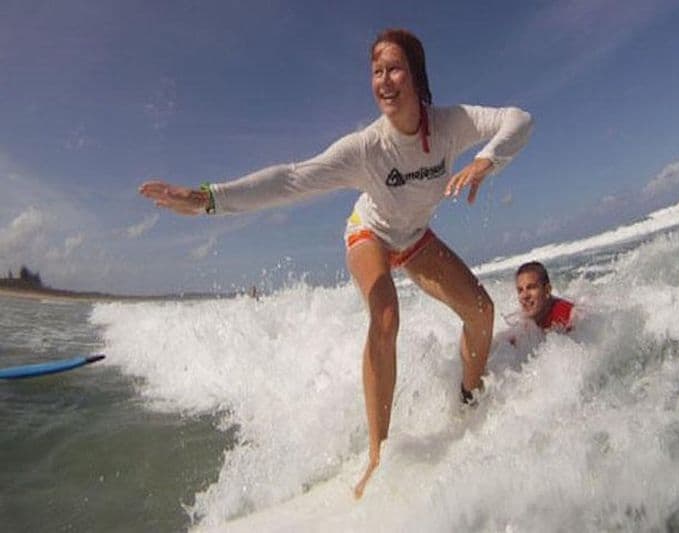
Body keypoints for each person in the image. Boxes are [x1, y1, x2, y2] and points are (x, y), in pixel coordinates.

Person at [139, 28, 533, 498]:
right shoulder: (366, 148)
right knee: (385, 313)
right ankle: (378, 455)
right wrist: (208, 199)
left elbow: (519, 118)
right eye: (376, 72)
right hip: (370, 231)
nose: (384, 81)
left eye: (394, 69)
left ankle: (469, 399)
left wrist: (487, 161)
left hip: (415, 238)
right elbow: (289, 180)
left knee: (482, 312)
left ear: (417, 75)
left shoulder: (451, 125)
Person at [513, 261, 574, 337]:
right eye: (520, 290)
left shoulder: (569, 317)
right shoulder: (521, 321)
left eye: (531, 287)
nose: (524, 296)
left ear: (547, 290)